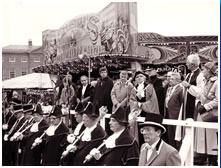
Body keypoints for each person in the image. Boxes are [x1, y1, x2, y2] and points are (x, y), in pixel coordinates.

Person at [193, 62, 218, 166]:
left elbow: (218, 100)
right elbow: (201, 95)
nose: (202, 71)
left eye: (204, 69)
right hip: (204, 113)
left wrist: (206, 107)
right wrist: (198, 103)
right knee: (206, 137)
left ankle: (213, 161)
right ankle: (208, 159)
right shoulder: (205, 82)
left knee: (212, 138)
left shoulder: (217, 82)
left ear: (208, 70)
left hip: (212, 115)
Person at [181, 53, 204, 120]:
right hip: (186, 103)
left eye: (187, 62)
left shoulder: (200, 75)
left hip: (194, 105)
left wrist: (189, 86)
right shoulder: (188, 75)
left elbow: (200, 92)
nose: (186, 64)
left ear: (193, 64)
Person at [164, 72, 183, 150]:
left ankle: (179, 151)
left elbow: (182, 103)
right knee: (170, 135)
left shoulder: (181, 89)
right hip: (168, 113)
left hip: (176, 115)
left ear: (178, 80)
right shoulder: (168, 88)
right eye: (170, 79)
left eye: (172, 79)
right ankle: (172, 150)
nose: (170, 80)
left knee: (177, 135)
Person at [93, 66, 113, 135]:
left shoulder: (110, 82)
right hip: (98, 105)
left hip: (106, 105)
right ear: (100, 74)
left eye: (105, 72)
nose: (103, 74)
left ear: (107, 73)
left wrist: (107, 105)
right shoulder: (98, 83)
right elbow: (95, 94)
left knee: (106, 122)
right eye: (102, 72)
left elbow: (109, 94)